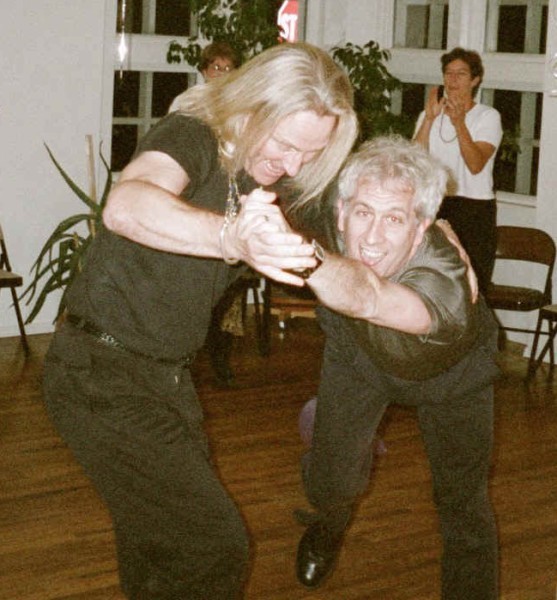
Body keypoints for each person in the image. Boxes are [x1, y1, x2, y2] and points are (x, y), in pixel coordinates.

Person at [42, 42, 358, 599]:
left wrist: (433, 237)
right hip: (99, 373)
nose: (293, 165)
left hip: (166, 378)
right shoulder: (191, 135)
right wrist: (231, 237)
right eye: (287, 144)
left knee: (157, 548)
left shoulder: (272, 177)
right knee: (214, 545)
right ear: (253, 106)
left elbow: (364, 206)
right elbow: (127, 205)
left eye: (310, 154)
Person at [293, 136, 500, 599]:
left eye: (394, 219)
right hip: (357, 356)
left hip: (454, 375)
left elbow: (369, 297)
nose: (371, 238)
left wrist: (300, 259)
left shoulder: (447, 286)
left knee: (463, 501)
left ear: (420, 227)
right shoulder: (329, 210)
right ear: (341, 211)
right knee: (332, 480)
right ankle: (328, 524)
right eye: (363, 213)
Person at [170, 41, 245, 386]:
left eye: (229, 69)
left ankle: (220, 357)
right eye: (216, 67)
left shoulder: (242, 106)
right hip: (196, 198)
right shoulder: (186, 103)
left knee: (227, 289)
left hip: (228, 199)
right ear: (203, 70)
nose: (222, 74)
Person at [413, 47, 503, 294]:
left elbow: (475, 164)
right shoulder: (429, 114)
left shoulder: (487, 116)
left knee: (472, 286)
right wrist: (429, 119)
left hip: (474, 207)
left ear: (475, 80)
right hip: (436, 203)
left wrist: (459, 123)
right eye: (448, 73)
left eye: (461, 74)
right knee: (433, 281)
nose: (453, 80)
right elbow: (415, 161)